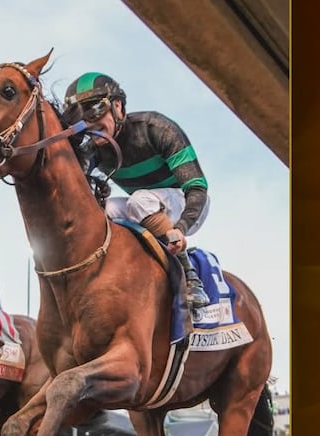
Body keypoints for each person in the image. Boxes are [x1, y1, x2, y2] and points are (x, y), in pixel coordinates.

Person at [59, 72, 212, 310]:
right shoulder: (94, 150)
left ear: (118, 106)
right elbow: (72, 185)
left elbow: (197, 188)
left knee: (139, 200)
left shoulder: (156, 128)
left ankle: (189, 277)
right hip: (143, 207)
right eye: (80, 117)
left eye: (94, 111)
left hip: (186, 203)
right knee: (103, 210)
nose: (89, 123)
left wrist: (180, 228)